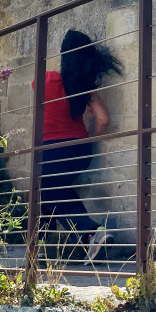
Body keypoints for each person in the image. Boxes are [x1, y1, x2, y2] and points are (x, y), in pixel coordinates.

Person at [34, 29, 123, 262]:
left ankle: (90, 233)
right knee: (51, 190)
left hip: (50, 151)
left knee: (48, 188)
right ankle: (43, 247)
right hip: (79, 150)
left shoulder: (44, 81)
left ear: (64, 55)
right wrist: (91, 138)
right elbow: (103, 119)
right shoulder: (84, 87)